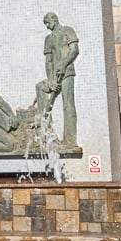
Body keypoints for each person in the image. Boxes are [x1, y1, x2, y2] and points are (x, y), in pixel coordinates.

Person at [42, 12, 79, 145]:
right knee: (45, 99)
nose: (47, 26)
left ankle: (70, 140)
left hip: (67, 72)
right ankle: (45, 135)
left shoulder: (67, 31)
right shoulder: (48, 39)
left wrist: (64, 64)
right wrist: (51, 81)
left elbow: (74, 50)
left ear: (54, 19)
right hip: (55, 76)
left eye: (47, 22)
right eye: (45, 23)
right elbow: (48, 61)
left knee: (68, 103)